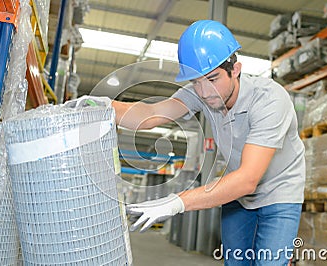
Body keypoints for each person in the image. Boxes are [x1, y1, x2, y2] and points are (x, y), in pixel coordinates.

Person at [112, 20, 305, 265]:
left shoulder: (269, 100)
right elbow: (150, 115)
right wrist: (101, 106)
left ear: (235, 69)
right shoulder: (202, 93)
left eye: (212, 79)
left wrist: (177, 202)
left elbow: (248, 179)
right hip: (237, 193)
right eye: (195, 82)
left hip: (279, 192)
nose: (203, 92)